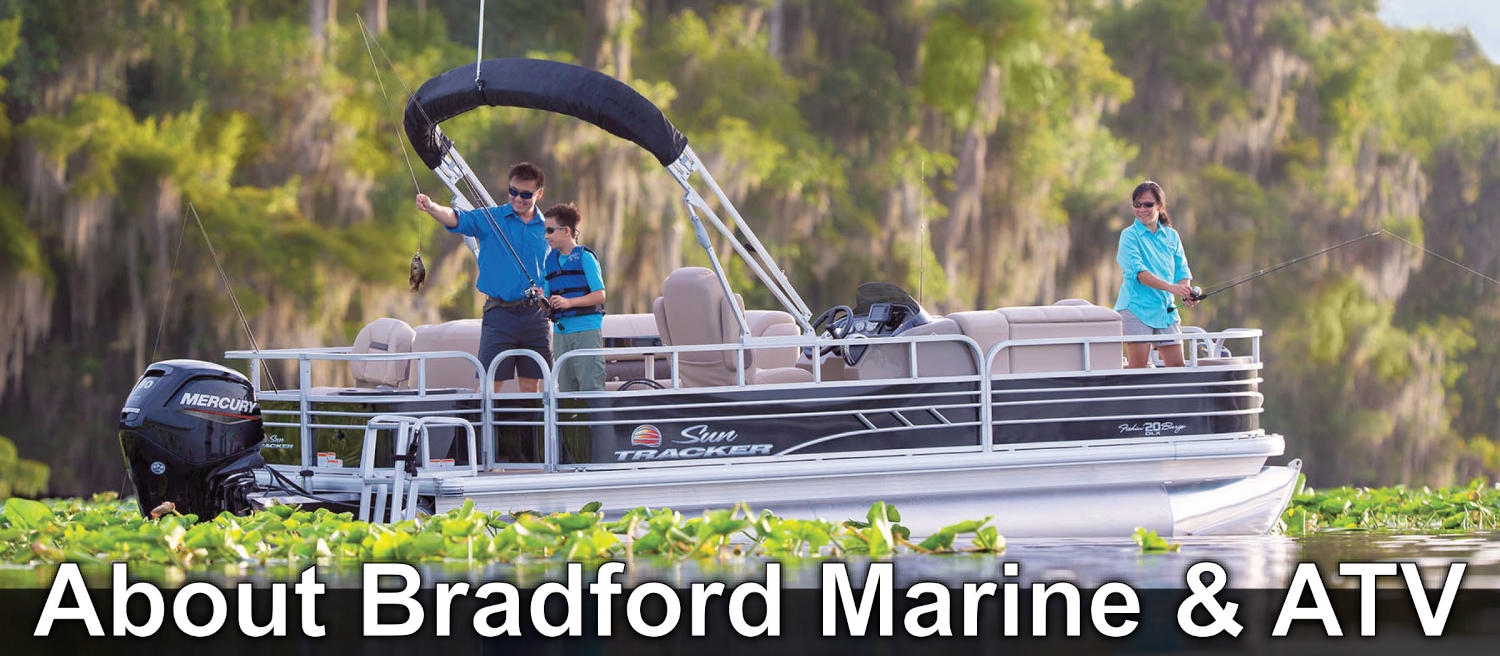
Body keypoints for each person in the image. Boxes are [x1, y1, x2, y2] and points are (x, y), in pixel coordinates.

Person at [415, 162, 551, 393]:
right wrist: (431, 207)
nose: (518, 199)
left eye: (526, 194)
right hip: (499, 314)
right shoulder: (491, 217)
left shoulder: (548, 226)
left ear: (539, 193)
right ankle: (482, 430)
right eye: (513, 192)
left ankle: (531, 430)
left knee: (531, 386)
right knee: (489, 385)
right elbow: (457, 218)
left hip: (535, 316)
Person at [1114, 180, 1197, 368]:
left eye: (1148, 204)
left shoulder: (1172, 236)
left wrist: (1186, 292)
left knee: (1178, 368)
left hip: (1165, 311)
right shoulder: (1129, 236)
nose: (1142, 209)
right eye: (1137, 204)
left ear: (1160, 206)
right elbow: (1140, 274)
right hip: (1135, 309)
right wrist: (1173, 289)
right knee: (1138, 369)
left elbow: (1181, 270)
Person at [542, 203, 607, 392]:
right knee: (566, 393)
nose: (546, 236)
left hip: (586, 332)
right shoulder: (550, 260)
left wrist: (569, 302)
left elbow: (600, 295)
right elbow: (548, 300)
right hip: (561, 334)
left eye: (550, 230)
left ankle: (596, 422)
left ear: (566, 231)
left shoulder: (585, 257)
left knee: (591, 387)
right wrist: (541, 299)